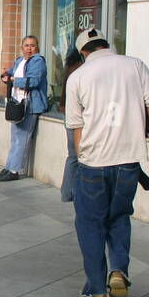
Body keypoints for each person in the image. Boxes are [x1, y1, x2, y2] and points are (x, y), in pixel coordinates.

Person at [64, 27, 149, 297]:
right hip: (128, 161)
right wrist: (140, 127)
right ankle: (118, 270)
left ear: (84, 52)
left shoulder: (78, 76)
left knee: (90, 224)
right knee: (119, 216)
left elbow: (76, 127)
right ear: (106, 45)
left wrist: (81, 157)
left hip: (94, 163)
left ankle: (96, 289)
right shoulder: (135, 65)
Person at [0, 35, 49, 182]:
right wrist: (5, 74)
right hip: (18, 104)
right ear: (22, 47)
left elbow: (34, 81)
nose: (29, 48)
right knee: (14, 139)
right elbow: (11, 71)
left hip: (31, 105)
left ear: (36, 47)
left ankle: (14, 170)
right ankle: (8, 166)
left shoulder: (38, 61)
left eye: (32, 45)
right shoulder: (19, 60)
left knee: (22, 139)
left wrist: (13, 80)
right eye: (26, 45)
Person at [60, 48, 85, 202]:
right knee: (77, 156)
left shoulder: (70, 67)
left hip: (68, 114)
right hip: (76, 116)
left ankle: (66, 191)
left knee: (72, 156)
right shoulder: (80, 69)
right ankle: (71, 192)